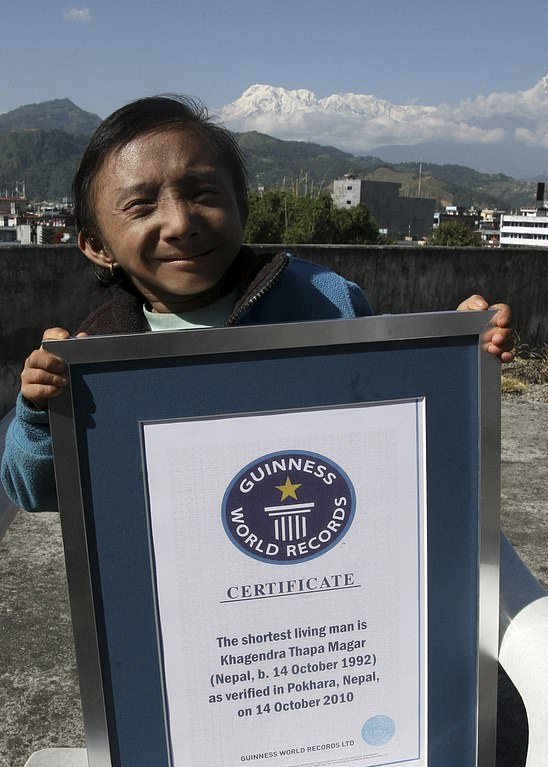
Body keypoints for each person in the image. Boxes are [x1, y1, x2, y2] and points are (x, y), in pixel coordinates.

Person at [1, 95, 512, 513]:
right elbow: (33, 491)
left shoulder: (323, 298)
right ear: (96, 245)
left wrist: (455, 357)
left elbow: (392, 414)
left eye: (204, 193)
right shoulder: (97, 353)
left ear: (243, 206)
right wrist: (41, 414)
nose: (180, 223)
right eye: (141, 206)